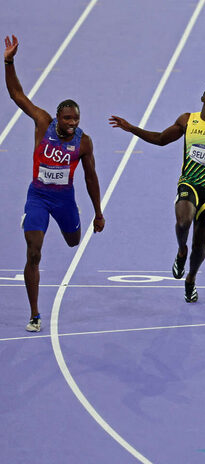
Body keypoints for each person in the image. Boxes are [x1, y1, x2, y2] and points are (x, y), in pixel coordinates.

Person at [109, 84, 205, 302]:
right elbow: (160, 139)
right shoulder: (187, 120)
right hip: (189, 183)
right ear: (203, 97)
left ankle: (191, 279)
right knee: (183, 222)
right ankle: (180, 251)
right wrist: (132, 128)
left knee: (200, 247)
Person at [4, 35, 105, 332]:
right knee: (33, 252)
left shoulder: (83, 142)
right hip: (37, 196)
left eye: (75, 119)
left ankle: (73, 225)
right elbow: (16, 95)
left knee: (73, 242)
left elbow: (90, 177)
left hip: (64, 201)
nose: (71, 123)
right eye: (67, 119)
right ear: (58, 117)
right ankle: (34, 313)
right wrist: (8, 61)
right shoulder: (42, 123)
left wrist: (98, 212)